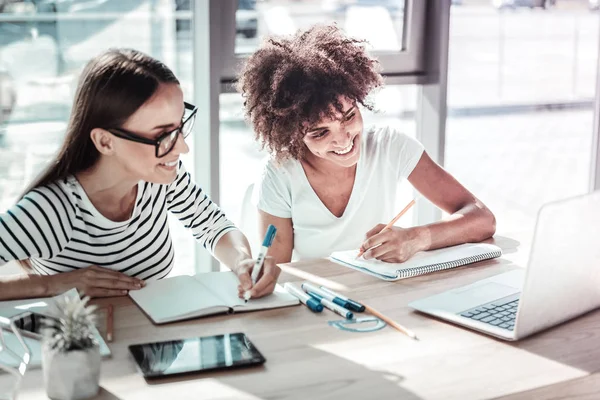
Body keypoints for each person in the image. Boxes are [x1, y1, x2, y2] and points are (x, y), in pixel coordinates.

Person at [0, 49, 278, 301]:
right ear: (106, 142)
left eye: (180, 128)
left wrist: (242, 262)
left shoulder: (156, 178)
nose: (182, 147)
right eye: (162, 135)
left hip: (154, 346)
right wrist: (54, 284)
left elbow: (213, 227)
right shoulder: (52, 210)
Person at [237, 24, 496, 264]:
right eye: (319, 133)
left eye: (349, 116)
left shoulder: (390, 146)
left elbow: (482, 219)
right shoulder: (280, 172)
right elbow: (277, 274)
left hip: (380, 293)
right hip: (318, 300)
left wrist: (415, 238)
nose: (343, 139)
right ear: (293, 134)